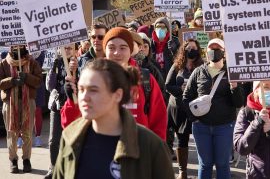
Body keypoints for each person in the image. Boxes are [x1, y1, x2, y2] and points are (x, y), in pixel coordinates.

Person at [53, 59, 175, 179]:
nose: (84, 97)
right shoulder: (70, 137)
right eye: (81, 89)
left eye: (93, 90)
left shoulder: (150, 145)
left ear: (118, 95)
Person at [63, 27, 167, 141]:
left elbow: (159, 120)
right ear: (105, 50)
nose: (117, 53)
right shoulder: (93, 78)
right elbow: (71, 126)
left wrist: (155, 152)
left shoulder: (145, 79)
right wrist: (72, 101)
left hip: (139, 152)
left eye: (123, 48)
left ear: (130, 50)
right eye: (111, 48)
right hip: (102, 150)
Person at [183, 38, 245, 179]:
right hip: (201, 127)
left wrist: (234, 87)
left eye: (218, 49)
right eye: (211, 48)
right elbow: (186, 97)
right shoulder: (199, 72)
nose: (214, 52)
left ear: (224, 52)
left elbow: (238, 102)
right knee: (205, 164)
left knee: (222, 164)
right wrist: (195, 119)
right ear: (206, 51)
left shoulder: (232, 72)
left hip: (224, 127)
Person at [0, 45, 42, 173]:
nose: (17, 47)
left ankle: (26, 160)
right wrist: (12, 81)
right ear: (11, 46)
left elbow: (39, 81)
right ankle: (13, 160)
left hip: (28, 101)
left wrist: (27, 77)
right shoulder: (3, 63)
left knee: (27, 133)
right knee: (11, 132)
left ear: (24, 45)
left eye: (20, 44)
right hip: (9, 102)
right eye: (15, 45)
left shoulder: (32, 62)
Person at [165, 39, 204, 179]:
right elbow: (168, 86)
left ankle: (204, 167)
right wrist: (181, 89)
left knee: (200, 137)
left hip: (195, 107)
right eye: (188, 47)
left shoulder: (202, 66)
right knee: (182, 138)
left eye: (194, 47)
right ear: (184, 49)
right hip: (178, 108)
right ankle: (182, 171)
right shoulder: (177, 65)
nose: (191, 50)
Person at [44, 44, 75, 179]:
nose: (66, 51)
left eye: (69, 48)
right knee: (53, 140)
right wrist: (53, 70)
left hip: (73, 105)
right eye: (64, 48)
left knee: (72, 140)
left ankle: (70, 168)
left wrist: (75, 71)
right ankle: (53, 167)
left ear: (74, 50)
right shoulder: (55, 63)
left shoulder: (78, 63)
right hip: (56, 106)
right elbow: (49, 86)